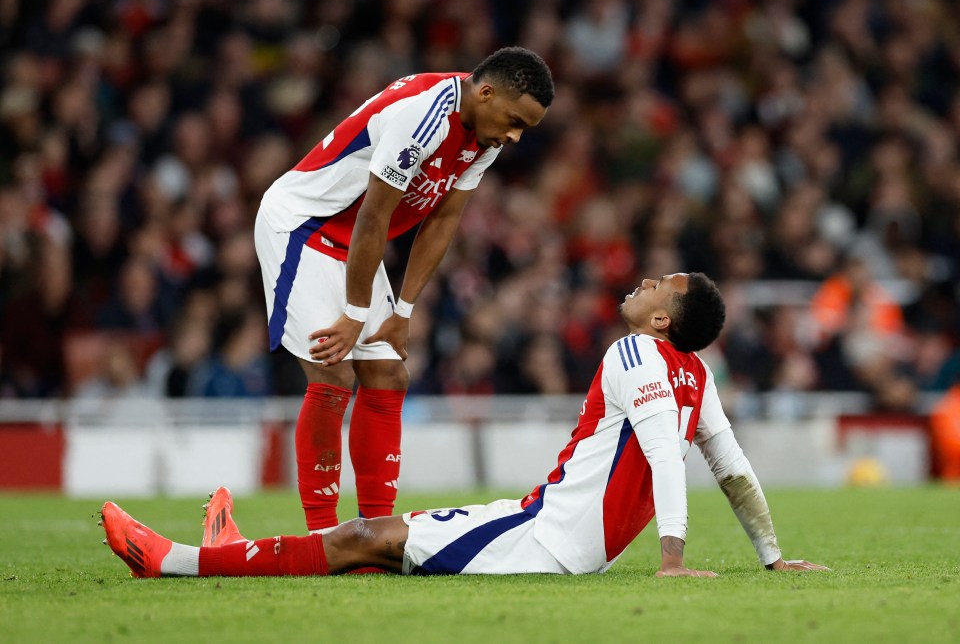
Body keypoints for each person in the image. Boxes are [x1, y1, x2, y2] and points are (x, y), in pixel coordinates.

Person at [100, 273, 830, 578]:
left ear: (664, 319)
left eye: (656, 285)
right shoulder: (697, 377)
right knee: (374, 551)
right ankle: (235, 551)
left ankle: (171, 560)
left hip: (542, 538)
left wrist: (671, 562)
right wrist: (771, 555)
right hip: (549, 530)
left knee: (366, 534)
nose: (641, 283)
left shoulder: (635, 350)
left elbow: (669, 458)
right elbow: (732, 469)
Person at [253, 46, 555, 531]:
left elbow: (442, 219)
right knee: (334, 374)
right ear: (486, 92)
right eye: (515, 120)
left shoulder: (486, 137)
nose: (515, 135)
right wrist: (354, 313)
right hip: (303, 227)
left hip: (351, 243)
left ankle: (375, 535)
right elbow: (376, 213)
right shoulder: (423, 114)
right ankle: (324, 535)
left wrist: (405, 309)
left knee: (389, 376)